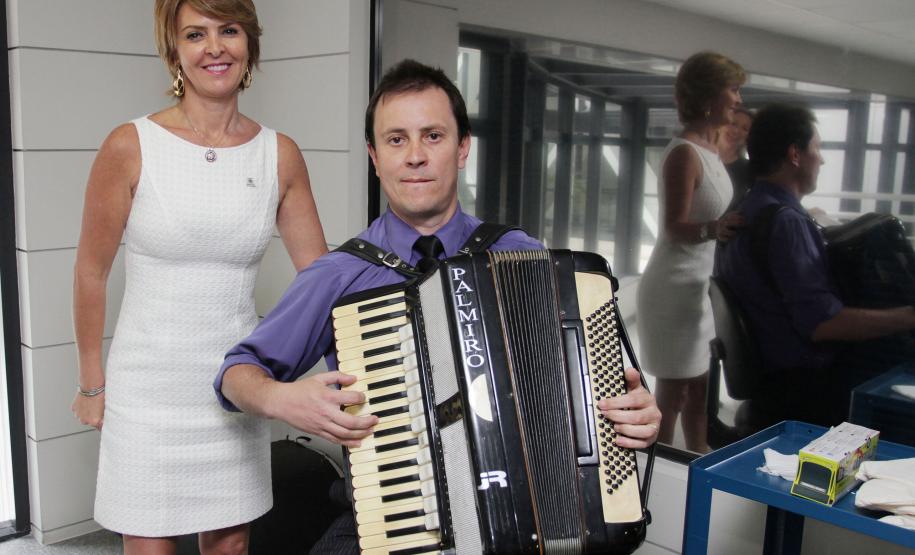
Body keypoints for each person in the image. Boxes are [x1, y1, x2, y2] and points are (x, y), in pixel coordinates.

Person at [215, 59, 662, 553]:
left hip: (527, 519)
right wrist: (285, 400)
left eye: (433, 136)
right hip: (392, 527)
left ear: (462, 147)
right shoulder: (339, 274)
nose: (415, 156)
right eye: (396, 139)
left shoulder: (521, 256)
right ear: (374, 155)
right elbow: (236, 373)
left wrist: (632, 415)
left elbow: (584, 392)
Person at [71, 1, 327, 553]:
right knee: (149, 546)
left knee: (230, 546)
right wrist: (92, 384)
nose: (214, 47)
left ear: (249, 46)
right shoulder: (129, 145)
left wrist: (340, 377)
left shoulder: (279, 155)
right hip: (147, 390)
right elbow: (91, 271)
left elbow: (319, 280)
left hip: (234, 386)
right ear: (175, 52)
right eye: (195, 34)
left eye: (228, 31)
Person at [716, 103, 915, 426]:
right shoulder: (786, 222)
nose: (821, 159)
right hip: (806, 392)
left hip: (770, 385)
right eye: (817, 149)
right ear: (795, 154)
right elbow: (822, 324)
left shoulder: (745, 211)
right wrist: (908, 317)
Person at [636, 51, 745, 452]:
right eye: (731, 89)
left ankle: (697, 459)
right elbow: (672, 227)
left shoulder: (711, 151)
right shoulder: (684, 153)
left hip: (698, 289)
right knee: (675, 392)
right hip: (674, 288)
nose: (737, 99)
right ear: (707, 96)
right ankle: (657, 469)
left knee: (700, 392)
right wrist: (715, 228)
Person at [718, 106, 754, 210]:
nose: (736, 131)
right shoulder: (700, 157)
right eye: (733, 124)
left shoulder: (749, 169)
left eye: (745, 129)